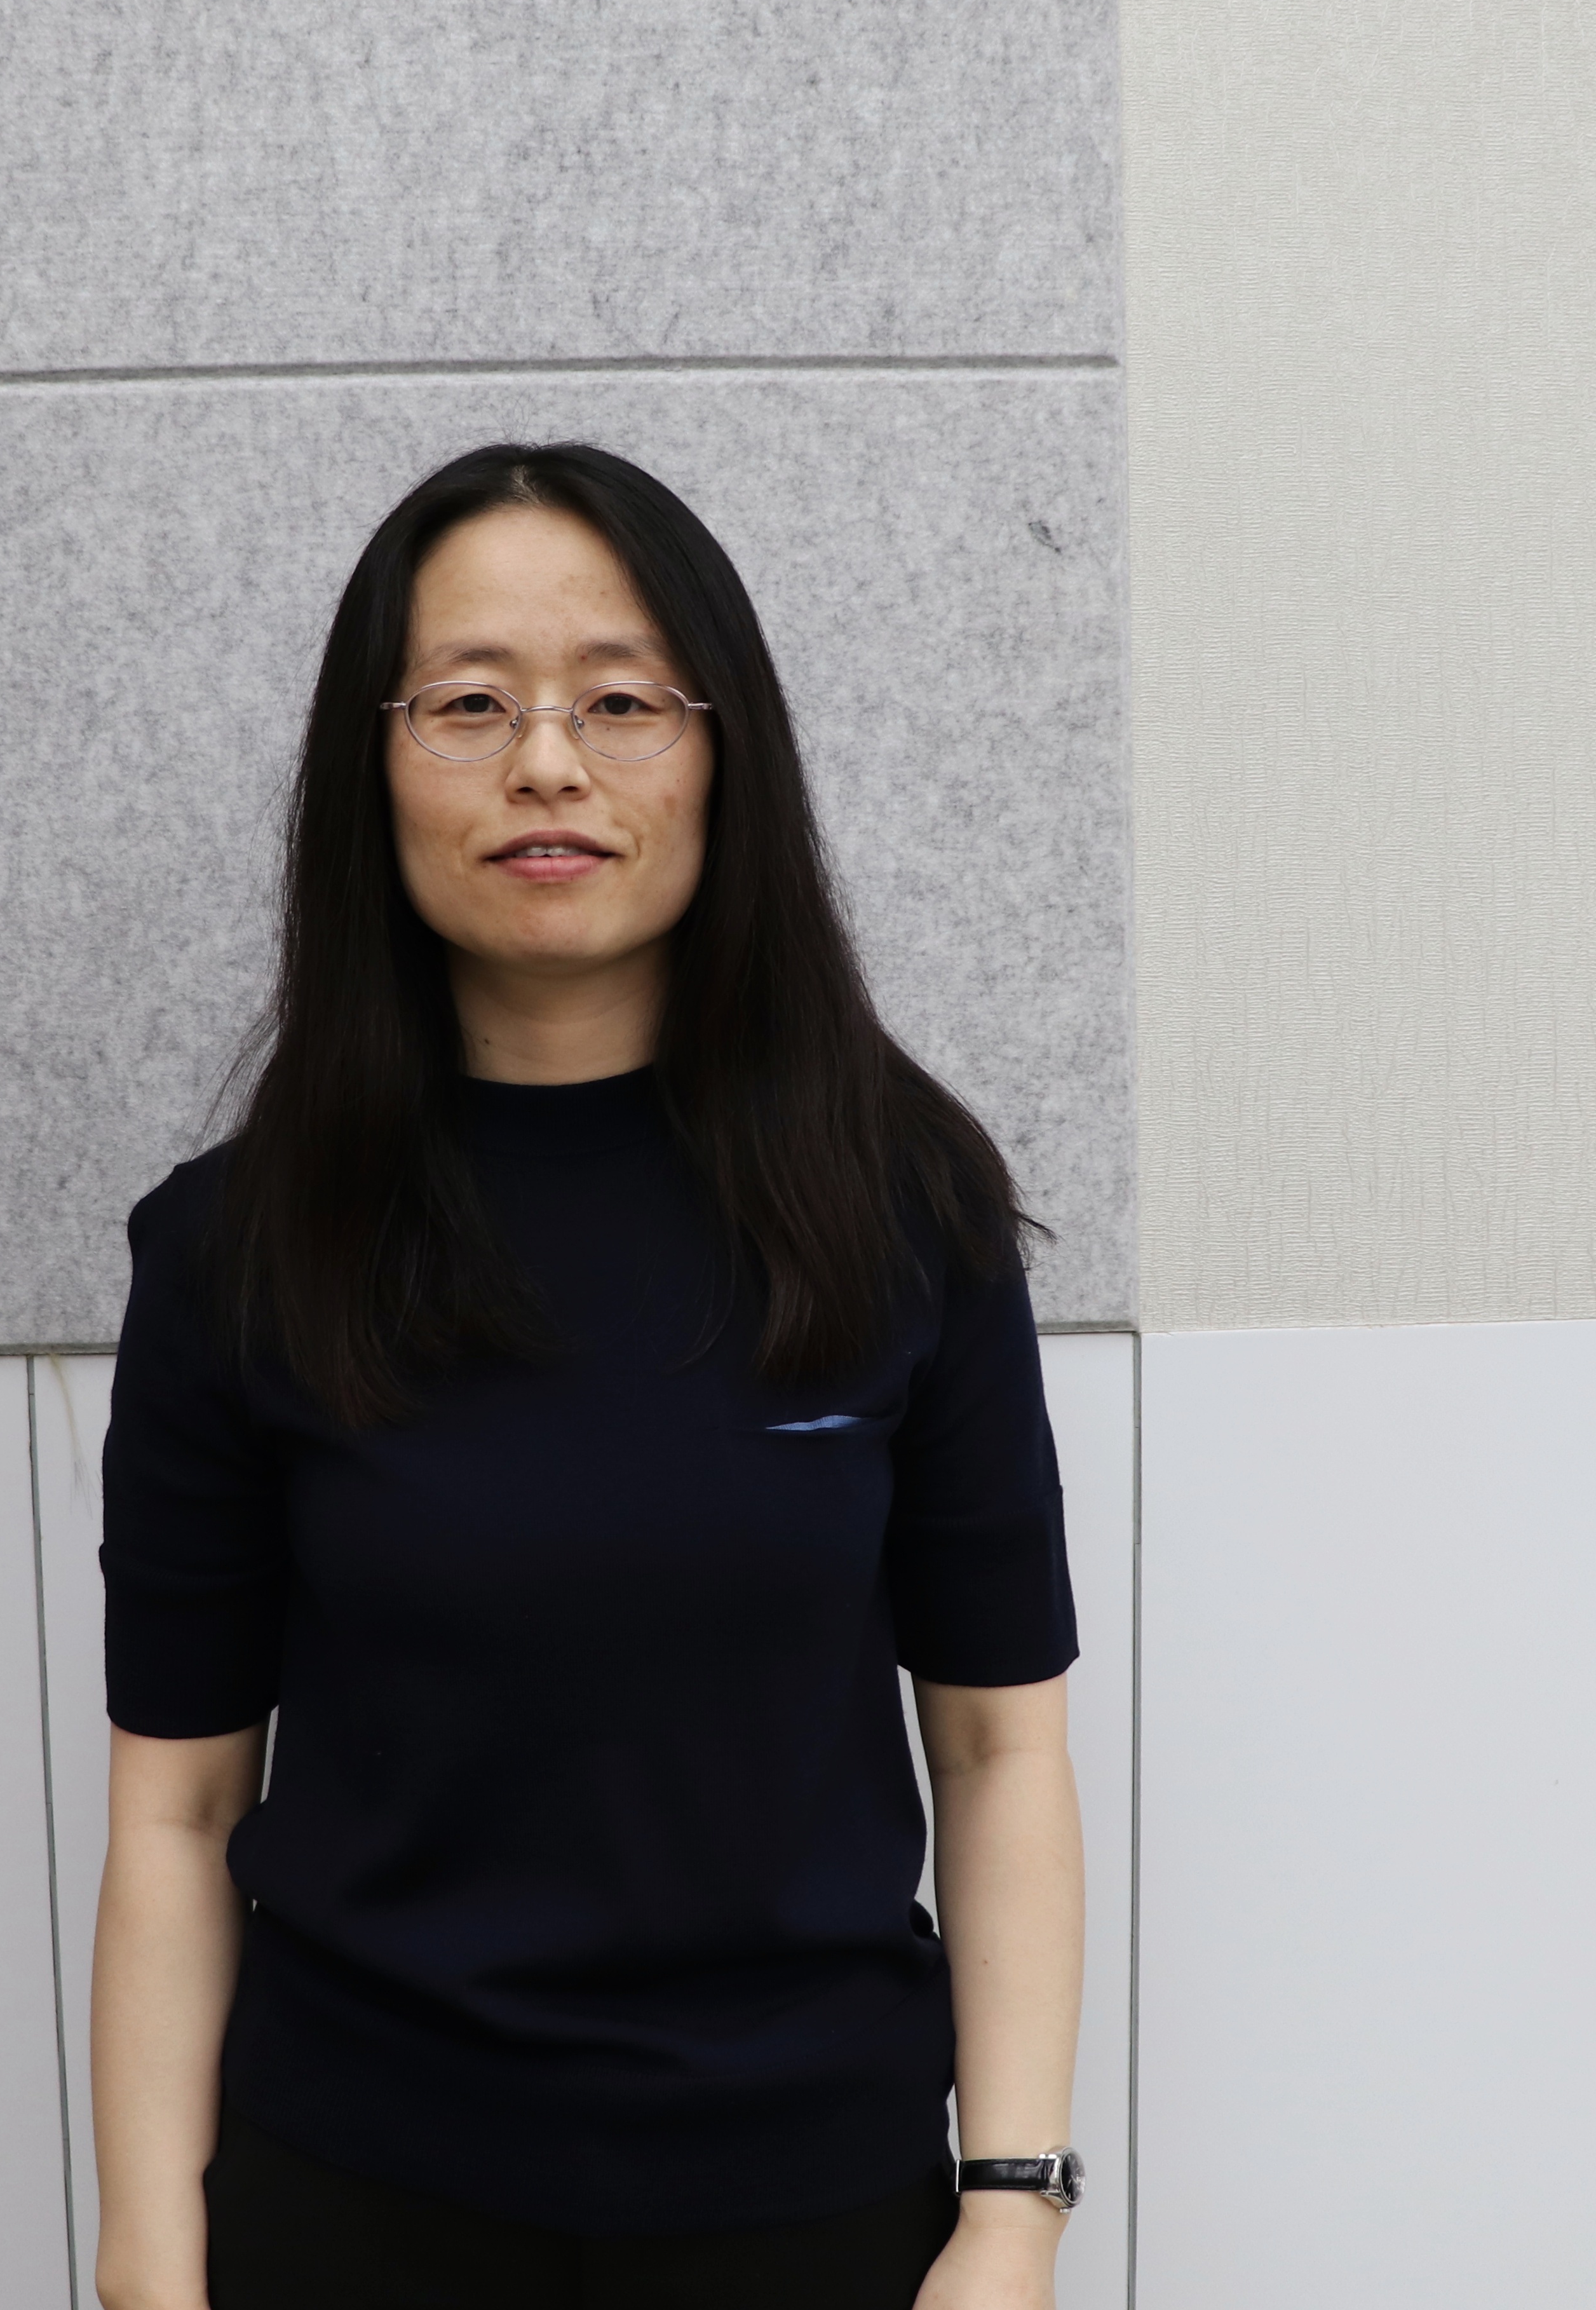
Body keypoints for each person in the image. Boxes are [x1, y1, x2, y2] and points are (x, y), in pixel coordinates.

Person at [91, 442, 1085, 2310]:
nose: (545, 762)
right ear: (373, 765)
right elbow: (179, 1811)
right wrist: (148, 2255)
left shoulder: (902, 1209)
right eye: (468, 703)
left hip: (816, 2208)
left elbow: (995, 1745)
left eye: (620, 700)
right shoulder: (238, 1249)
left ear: (722, 755)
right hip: (358, 2203)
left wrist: (1011, 2209)